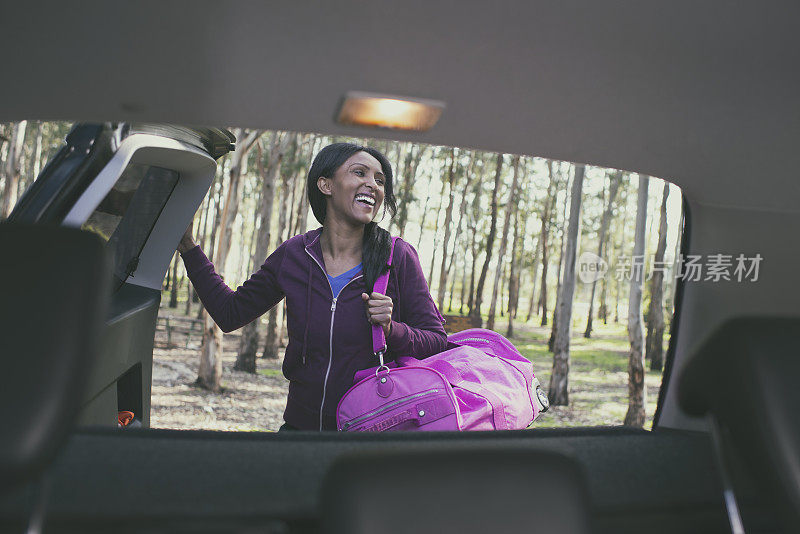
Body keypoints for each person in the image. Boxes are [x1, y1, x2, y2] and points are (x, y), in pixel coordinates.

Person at [178, 142, 448, 431]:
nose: (373, 185)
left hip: (369, 439)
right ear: (325, 184)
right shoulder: (295, 254)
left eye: (380, 180)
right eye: (360, 173)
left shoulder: (397, 257)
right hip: (299, 432)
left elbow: (437, 341)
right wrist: (188, 247)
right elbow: (230, 313)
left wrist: (392, 330)